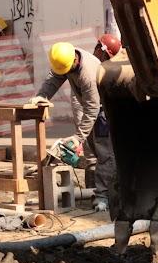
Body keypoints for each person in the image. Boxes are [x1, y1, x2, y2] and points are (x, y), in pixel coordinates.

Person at [29, 39, 114, 213]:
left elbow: (92, 109)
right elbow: (54, 77)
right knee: (95, 153)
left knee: (106, 155)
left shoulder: (88, 74)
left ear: (75, 61)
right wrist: (42, 96)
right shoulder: (66, 58)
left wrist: (78, 137)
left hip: (103, 111)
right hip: (92, 109)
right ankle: (100, 191)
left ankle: (103, 197)